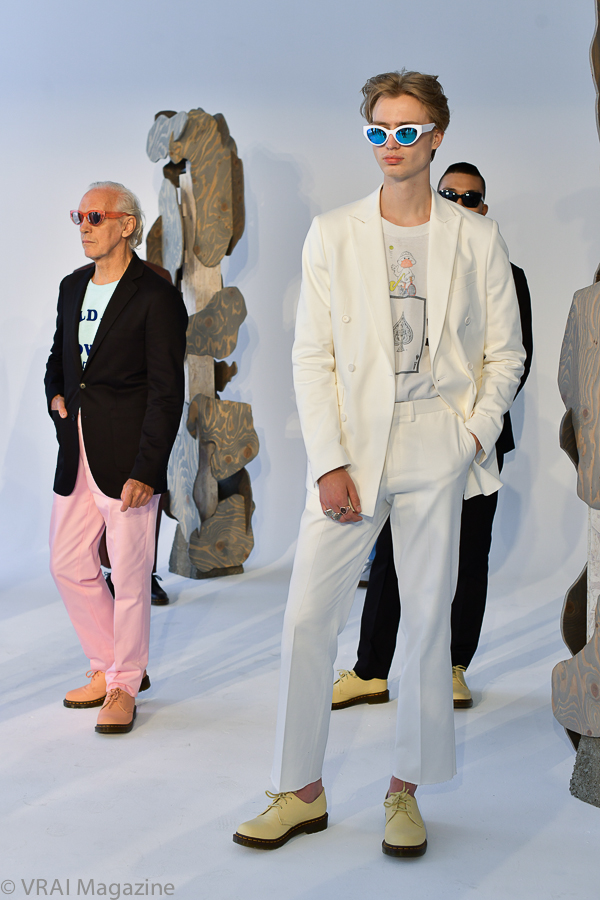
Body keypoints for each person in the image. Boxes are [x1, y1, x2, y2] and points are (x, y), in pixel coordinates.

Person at [233, 71, 525, 857]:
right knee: (306, 618)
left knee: (426, 622)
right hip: (353, 450)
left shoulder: (477, 238)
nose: (390, 145)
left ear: (436, 137)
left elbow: (506, 354)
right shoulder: (333, 233)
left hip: (437, 441)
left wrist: (471, 437)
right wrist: (329, 460)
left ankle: (405, 791)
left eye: (406, 131)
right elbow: (312, 356)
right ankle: (300, 790)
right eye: (377, 131)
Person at [333, 162, 533, 712]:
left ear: (483, 209)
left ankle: (452, 667)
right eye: (452, 194)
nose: (462, 204)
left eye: (472, 198)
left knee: (468, 557)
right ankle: (371, 671)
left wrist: (473, 433)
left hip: (475, 444)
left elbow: (514, 360)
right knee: (391, 556)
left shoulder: (505, 270)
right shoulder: (406, 262)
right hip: (404, 440)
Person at [45, 181, 187, 734]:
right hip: (76, 451)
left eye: (95, 216)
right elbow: (59, 358)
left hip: (128, 459)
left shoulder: (155, 296)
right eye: (79, 216)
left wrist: (147, 469)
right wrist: (55, 395)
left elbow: (166, 392)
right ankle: (109, 665)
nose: (84, 226)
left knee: (129, 578)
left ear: (127, 225)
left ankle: (124, 684)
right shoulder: (71, 287)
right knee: (67, 562)